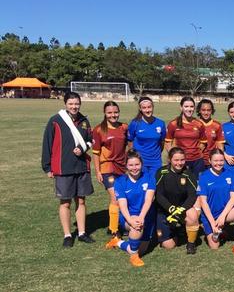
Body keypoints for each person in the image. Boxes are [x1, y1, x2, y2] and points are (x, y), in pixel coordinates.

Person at [42, 91, 95, 247]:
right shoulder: (55, 121)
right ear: (65, 104)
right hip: (63, 167)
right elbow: (47, 144)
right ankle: (67, 235)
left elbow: (91, 140)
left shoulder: (84, 120)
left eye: (77, 103)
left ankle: (82, 233)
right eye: (71, 104)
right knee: (65, 202)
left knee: (81, 200)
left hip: (81, 167)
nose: (74, 106)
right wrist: (47, 167)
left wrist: (83, 148)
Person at [105, 151, 156, 267]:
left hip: (146, 216)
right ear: (126, 166)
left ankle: (118, 242)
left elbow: (149, 200)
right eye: (131, 165)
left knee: (141, 250)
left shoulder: (149, 178)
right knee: (136, 227)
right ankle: (133, 257)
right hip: (128, 217)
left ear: (141, 164)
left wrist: (142, 217)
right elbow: (122, 205)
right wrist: (131, 220)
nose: (134, 168)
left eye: (137, 164)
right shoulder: (120, 182)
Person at [198, 149, 234, 258]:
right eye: (215, 161)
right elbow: (203, 202)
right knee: (214, 246)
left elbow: (233, 198)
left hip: (226, 213)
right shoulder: (203, 176)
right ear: (209, 161)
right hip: (211, 216)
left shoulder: (230, 174)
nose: (219, 163)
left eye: (221, 160)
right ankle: (221, 231)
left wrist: (222, 217)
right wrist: (213, 224)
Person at [92, 101, 128, 239]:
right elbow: (95, 152)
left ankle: (116, 225)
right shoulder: (99, 130)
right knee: (115, 198)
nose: (113, 115)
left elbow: (128, 145)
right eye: (110, 113)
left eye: (115, 112)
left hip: (122, 168)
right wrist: (98, 171)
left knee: (123, 197)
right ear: (105, 113)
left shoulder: (124, 127)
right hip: (107, 167)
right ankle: (114, 230)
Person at [154, 147, 200, 254]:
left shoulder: (189, 174)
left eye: (182, 160)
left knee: (193, 215)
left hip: (181, 209)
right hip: (165, 210)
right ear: (170, 160)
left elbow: (192, 196)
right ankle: (177, 230)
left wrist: (180, 210)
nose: (179, 163)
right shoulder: (161, 172)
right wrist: (171, 209)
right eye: (176, 160)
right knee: (169, 245)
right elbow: (159, 195)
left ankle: (191, 244)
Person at [165, 97, 207, 177]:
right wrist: (174, 156)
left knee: (197, 185)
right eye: (186, 106)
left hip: (197, 161)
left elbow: (203, 142)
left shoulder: (199, 124)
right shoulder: (173, 124)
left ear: (194, 108)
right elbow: (167, 143)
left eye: (191, 106)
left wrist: (195, 152)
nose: (189, 109)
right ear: (181, 107)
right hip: (180, 162)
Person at [127, 97, 166, 176]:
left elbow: (162, 142)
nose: (147, 110)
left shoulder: (160, 123)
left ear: (153, 107)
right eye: (144, 108)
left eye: (149, 107)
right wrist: (134, 155)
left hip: (156, 161)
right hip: (140, 161)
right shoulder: (135, 123)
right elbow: (130, 141)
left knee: (154, 184)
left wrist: (155, 153)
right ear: (140, 109)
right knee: (142, 184)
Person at [197, 99, 225, 169]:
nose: (206, 113)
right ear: (199, 111)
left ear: (212, 111)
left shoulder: (217, 125)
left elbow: (220, 145)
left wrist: (219, 160)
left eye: (208, 110)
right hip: (197, 160)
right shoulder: (195, 124)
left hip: (212, 162)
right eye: (203, 110)